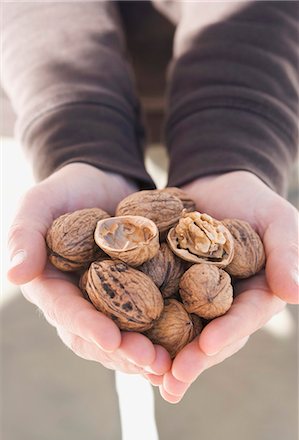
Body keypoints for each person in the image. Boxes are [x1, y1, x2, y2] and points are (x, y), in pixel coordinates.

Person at [2, 1, 298, 404]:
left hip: (258, 104)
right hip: (41, 97)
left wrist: (235, 144)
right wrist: (75, 134)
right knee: (53, 394)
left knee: (242, 398)